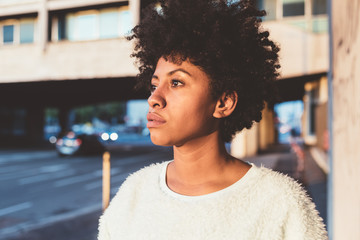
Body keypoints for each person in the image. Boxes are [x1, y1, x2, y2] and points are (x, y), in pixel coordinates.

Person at [98, 0, 328, 239]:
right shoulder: (133, 193)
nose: (154, 98)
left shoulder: (279, 202)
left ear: (223, 103)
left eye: (176, 82)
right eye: (155, 84)